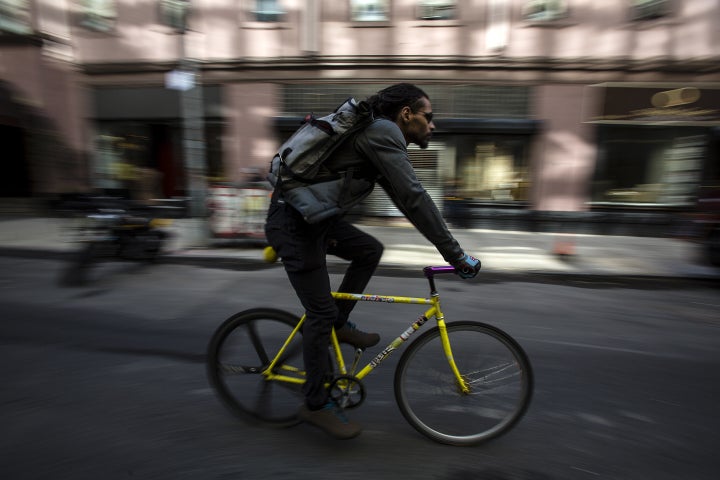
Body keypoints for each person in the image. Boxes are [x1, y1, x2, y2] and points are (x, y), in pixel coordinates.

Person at [264, 83, 480, 439]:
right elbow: (415, 197)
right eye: (430, 117)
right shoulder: (383, 131)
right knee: (318, 313)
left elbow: (405, 199)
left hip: (315, 221)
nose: (433, 125)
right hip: (293, 225)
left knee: (369, 250)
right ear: (406, 114)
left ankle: (339, 322)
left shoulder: (378, 136)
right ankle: (315, 404)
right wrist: (456, 256)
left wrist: (448, 249)